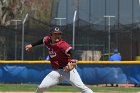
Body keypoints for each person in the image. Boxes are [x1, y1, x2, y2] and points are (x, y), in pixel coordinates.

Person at [25, 27, 94, 93]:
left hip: (68, 70)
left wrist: (73, 61)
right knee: (41, 87)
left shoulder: (62, 44)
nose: (57, 36)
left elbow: (72, 51)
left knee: (82, 87)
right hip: (56, 72)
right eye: (55, 34)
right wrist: (32, 45)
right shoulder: (47, 40)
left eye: (59, 34)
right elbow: (42, 40)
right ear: (51, 35)